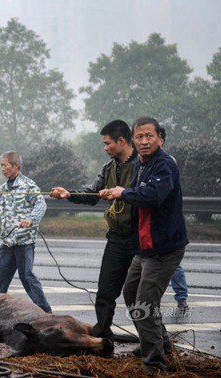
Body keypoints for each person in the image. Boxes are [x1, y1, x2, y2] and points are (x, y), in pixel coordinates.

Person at [102, 117, 188, 372]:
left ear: (160, 138)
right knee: (131, 294)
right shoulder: (142, 164)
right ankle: (159, 342)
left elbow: (153, 195)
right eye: (139, 137)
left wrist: (123, 193)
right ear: (133, 140)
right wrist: (113, 191)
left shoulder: (164, 165)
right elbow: (135, 192)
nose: (143, 141)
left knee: (146, 304)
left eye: (148, 136)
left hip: (164, 248)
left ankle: (154, 364)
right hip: (146, 246)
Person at [50, 120, 138, 343]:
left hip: (140, 240)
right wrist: (68, 194)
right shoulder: (108, 168)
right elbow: (92, 194)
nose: (105, 148)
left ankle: (155, 339)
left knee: (138, 295)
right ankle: (103, 334)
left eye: (107, 143)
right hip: (116, 238)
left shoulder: (143, 165)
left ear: (121, 141)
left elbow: (148, 195)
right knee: (106, 290)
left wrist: (123, 193)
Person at [0, 151, 51, 313]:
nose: (2, 169)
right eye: (1, 165)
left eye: (5, 165)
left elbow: (41, 205)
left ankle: (45, 312)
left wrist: (31, 219)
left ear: (16, 166)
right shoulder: (3, 189)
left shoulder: (28, 186)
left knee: (27, 276)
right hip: (8, 241)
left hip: (24, 242)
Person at [159, 127, 189, 311]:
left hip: (167, 223)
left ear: (160, 140)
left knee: (172, 263)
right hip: (148, 225)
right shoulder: (142, 162)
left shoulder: (167, 162)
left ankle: (181, 297)